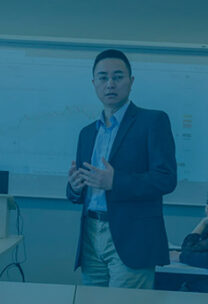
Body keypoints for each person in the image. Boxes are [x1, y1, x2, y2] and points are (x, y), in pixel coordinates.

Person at [66, 49, 177, 289]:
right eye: (103, 78)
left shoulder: (153, 121)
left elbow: (166, 179)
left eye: (118, 77)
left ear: (131, 81)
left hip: (133, 237)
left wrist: (116, 182)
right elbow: (81, 189)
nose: (110, 84)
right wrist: (75, 188)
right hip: (90, 233)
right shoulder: (87, 133)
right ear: (94, 83)